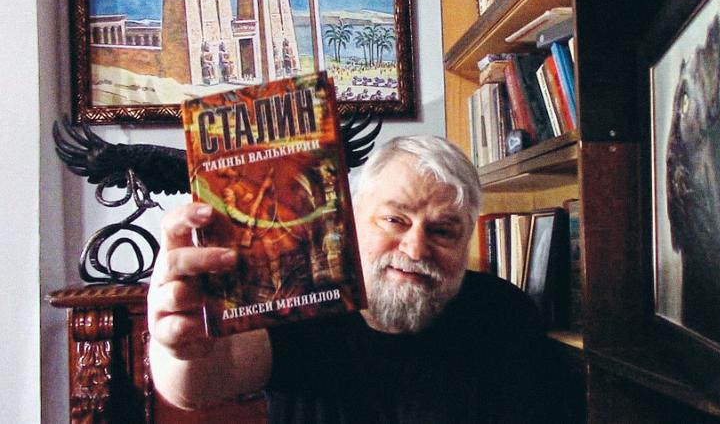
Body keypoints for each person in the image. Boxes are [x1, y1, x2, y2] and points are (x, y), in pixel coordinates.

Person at [148, 135, 569, 423]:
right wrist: (178, 344)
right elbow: (199, 383)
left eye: (442, 231)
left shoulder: (503, 314)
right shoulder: (298, 299)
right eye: (394, 220)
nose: (415, 249)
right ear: (349, 220)